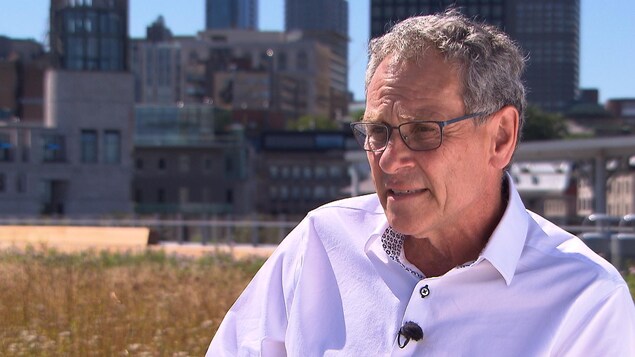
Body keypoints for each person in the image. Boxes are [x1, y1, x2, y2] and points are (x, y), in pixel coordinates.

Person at [207, 10, 635, 356]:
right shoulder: (320, 242)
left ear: (501, 138)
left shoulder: (586, 301)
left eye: (425, 130)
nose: (390, 160)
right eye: (377, 132)